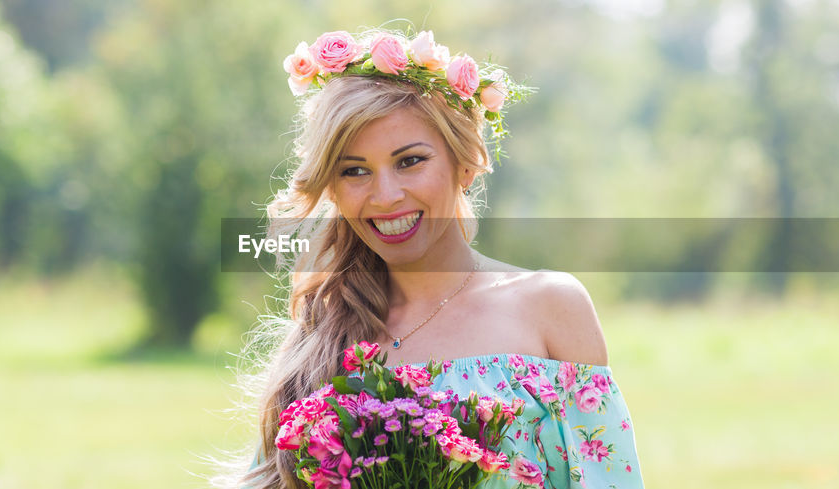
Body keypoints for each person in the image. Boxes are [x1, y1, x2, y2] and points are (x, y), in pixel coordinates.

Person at [222, 28, 645, 489]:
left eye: (410, 161)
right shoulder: (322, 337)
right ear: (332, 187)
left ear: (463, 163)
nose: (386, 196)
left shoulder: (551, 308)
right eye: (355, 171)